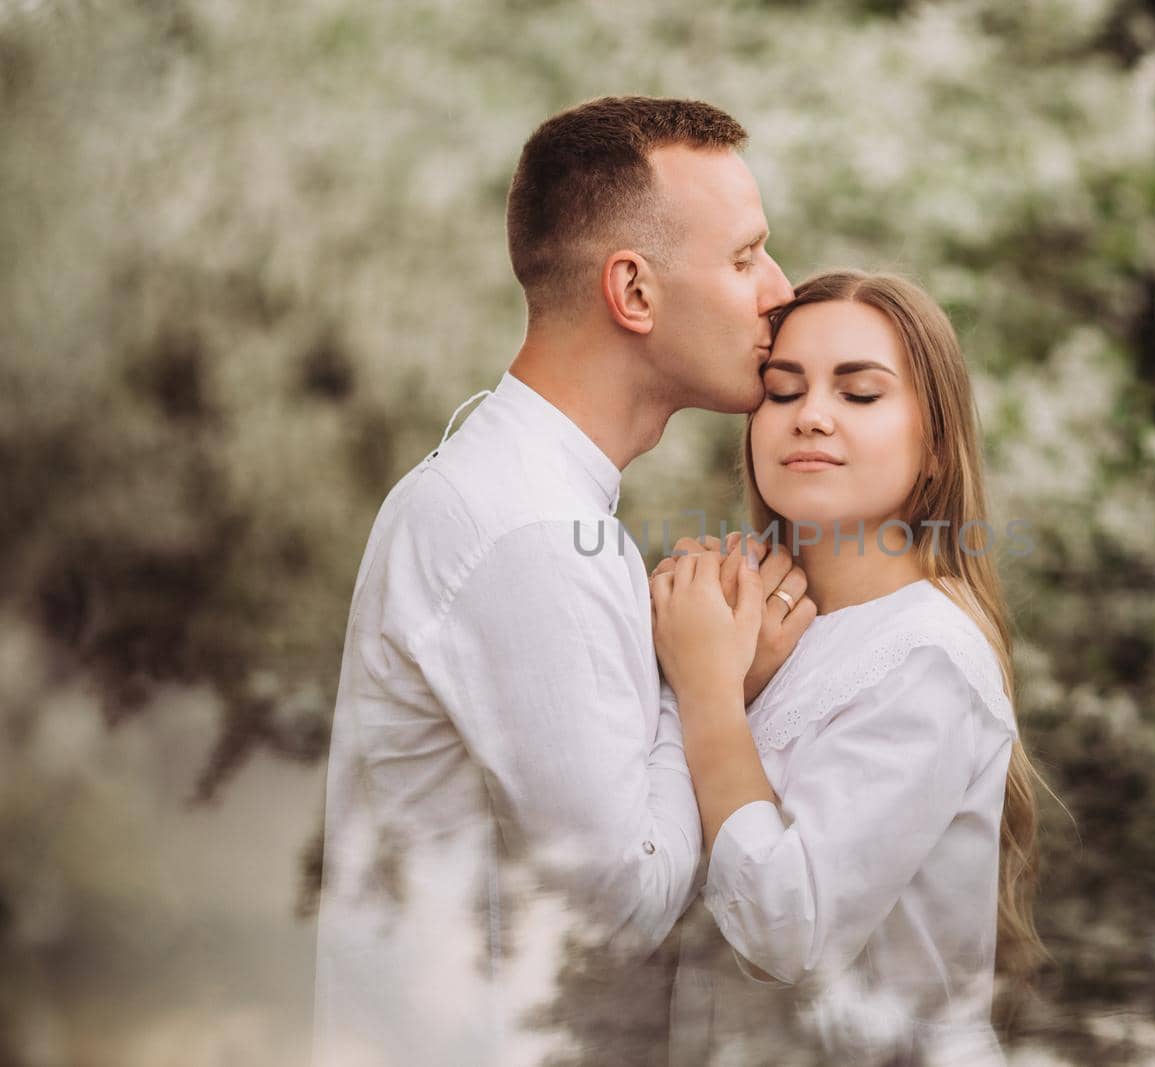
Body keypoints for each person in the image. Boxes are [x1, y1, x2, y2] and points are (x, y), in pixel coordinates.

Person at [311, 96, 807, 1066]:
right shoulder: (531, 529)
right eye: (745, 257)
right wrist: (713, 687)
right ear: (633, 291)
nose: (779, 290)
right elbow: (623, 901)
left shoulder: (508, 489)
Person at [651, 270, 1048, 1065]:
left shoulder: (928, 655)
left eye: (860, 393)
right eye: (782, 390)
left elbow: (785, 927)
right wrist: (727, 674)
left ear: (935, 444)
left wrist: (707, 693)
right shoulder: (743, 627)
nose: (812, 417)